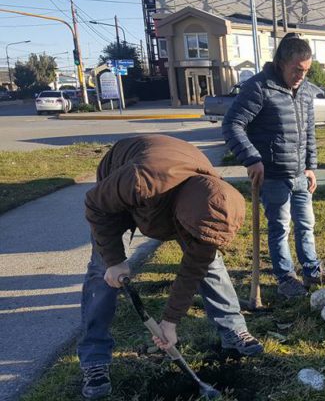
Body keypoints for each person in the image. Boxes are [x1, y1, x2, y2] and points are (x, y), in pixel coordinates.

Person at [78, 135, 263, 399]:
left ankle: (233, 329)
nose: (198, 241)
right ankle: (94, 359)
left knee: (209, 262)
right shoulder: (140, 181)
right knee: (102, 274)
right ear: (181, 218)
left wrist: (170, 321)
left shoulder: (214, 201)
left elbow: (193, 266)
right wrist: (115, 260)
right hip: (120, 184)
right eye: (195, 234)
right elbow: (95, 204)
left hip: (175, 189)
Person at [222, 33, 325, 299]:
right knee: (279, 227)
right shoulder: (258, 88)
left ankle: (311, 269)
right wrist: (251, 158)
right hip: (273, 174)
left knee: (306, 224)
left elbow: (308, 130)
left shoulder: (306, 91)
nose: (301, 75)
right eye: (297, 70)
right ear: (280, 63)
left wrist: (311, 166)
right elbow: (232, 124)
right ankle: (286, 277)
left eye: (306, 70)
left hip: (300, 174)